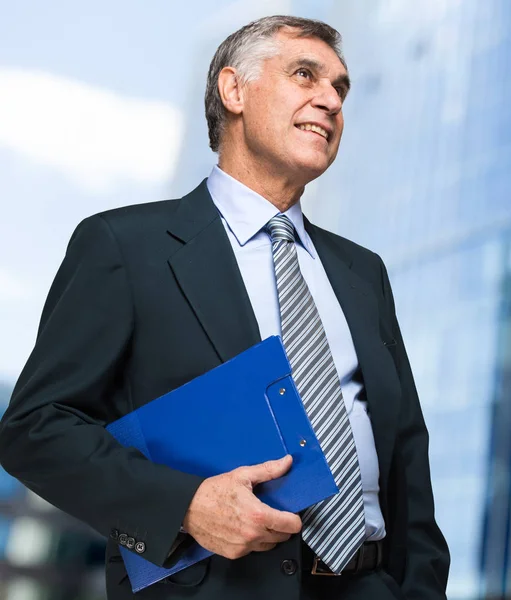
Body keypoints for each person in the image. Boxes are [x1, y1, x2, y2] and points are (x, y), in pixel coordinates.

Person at [0, 15, 449, 600]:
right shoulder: (125, 247)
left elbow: (407, 454)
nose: (330, 100)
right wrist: (185, 506)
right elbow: (36, 428)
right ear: (234, 91)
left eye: (341, 88)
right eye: (305, 75)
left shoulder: (364, 273)